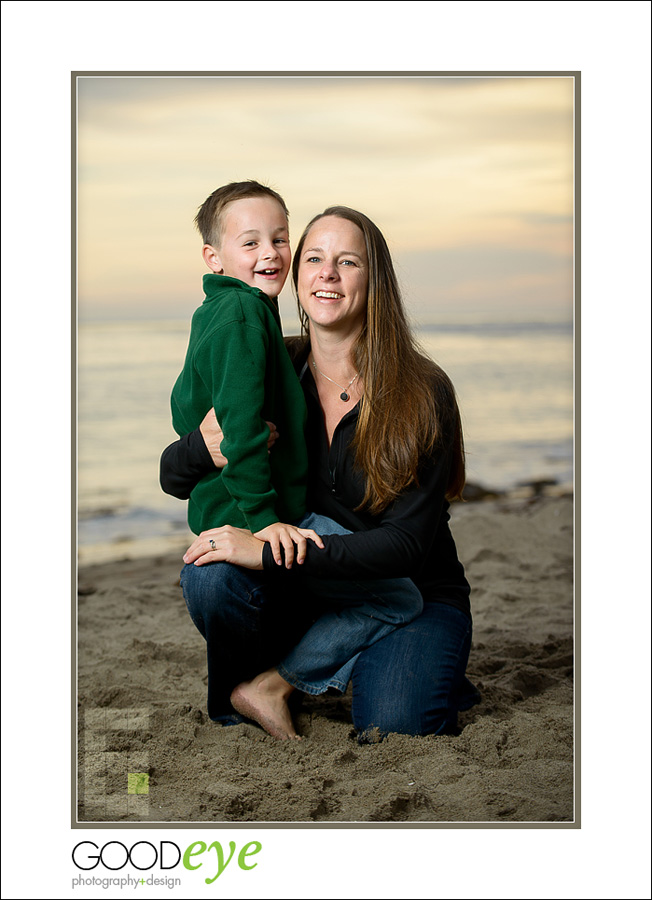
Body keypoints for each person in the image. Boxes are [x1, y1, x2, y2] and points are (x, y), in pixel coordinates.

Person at [161, 206, 480, 741]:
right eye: (314, 258)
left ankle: (381, 665)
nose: (327, 273)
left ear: (373, 279)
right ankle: (323, 663)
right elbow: (174, 476)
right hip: (317, 592)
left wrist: (264, 548)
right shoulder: (273, 366)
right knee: (209, 574)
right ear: (298, 274)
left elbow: (406, 546)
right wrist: (203, 446)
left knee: (396, 725)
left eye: (347, 261)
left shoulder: (421, 389)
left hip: (416, 591)